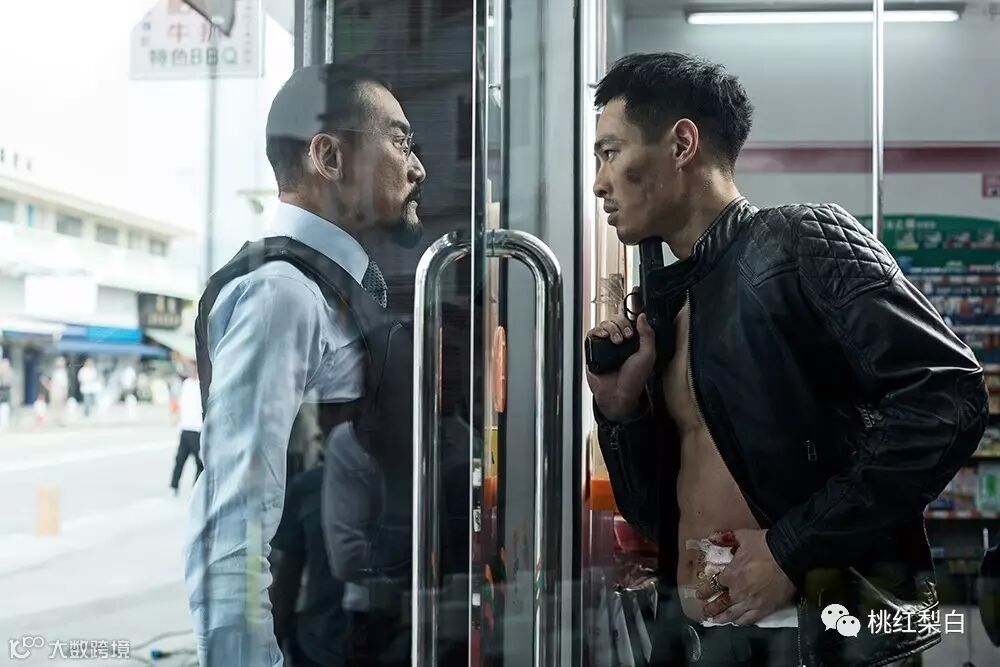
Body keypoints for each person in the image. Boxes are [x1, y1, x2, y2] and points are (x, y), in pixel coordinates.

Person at [585, 53, 988, 667]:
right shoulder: (664, 307)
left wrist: (790, 551)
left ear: (682, 144)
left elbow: (949, 397)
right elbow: (654, 515)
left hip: (820, 640)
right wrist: (622, 413)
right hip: (703, 641)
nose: (599, 182)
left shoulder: (800, 243)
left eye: (610, 153)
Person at [184, 63, 425, 667]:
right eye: (400, 142)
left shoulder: (330, 289)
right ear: (330, 158)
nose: (417, 167)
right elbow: (233, 525)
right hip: (329, 642)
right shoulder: (282, 293)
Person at [170, 368, 203, 494]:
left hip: (197, 429)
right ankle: (174, 485)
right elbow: (182, 403)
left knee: (200, 462)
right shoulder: (187, 384)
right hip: (186, 427)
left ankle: (196, 488)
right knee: (180, 459)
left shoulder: (203, 384)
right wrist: (176, 417)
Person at [41, 356, 69, 427]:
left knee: (61, 406)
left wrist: (65, 392)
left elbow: (65, 383)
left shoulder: (64, 371)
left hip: (62, 390)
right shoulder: (53, 370)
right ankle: (53, 420)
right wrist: (49, 388)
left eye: (63, 362)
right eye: (61, 361)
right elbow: (43, 379)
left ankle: (60, 420)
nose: (62, 363)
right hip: (55, 390)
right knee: (54, 406)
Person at [0, 357, 12, 428]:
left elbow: (8, 383)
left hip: (5, 393)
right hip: (2, 391)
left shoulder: (9, 372)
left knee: (5, 407)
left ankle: (4, 423)